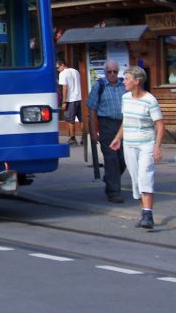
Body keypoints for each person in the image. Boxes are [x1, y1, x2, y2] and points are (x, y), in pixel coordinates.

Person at [109, 66, 165, 230]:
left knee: (145, 176)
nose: (123, 81)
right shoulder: (125, 98)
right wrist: (118, 138)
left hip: (146, 143)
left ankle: (148, 214)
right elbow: (126, 120)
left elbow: (160, 125)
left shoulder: (150, 100)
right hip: (129, 144)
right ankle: (144, 213)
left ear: (137, 81)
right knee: (136, 180)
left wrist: (157, 147)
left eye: (126, 79)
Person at [86, 60, 127, 203]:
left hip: (123, 126)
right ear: (105, 72)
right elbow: (92, 109)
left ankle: (110, 179)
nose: (112, 74)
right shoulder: (100, 85)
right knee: (111, 160)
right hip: (106, 125)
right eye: (109, 71)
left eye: (115, 71)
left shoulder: (124, 85)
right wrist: (93, 131)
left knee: (124, 159)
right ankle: (113, 192)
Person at [57, 57, 83, 144]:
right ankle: (84, 137)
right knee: (81, 119)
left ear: (62, 65)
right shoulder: (75, 71)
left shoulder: (63, 74)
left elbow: (65, 87)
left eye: (58, 67)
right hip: (79, 97)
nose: (57, 70)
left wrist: (64, 101)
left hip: (70, 99)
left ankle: (72, 138)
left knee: (70, 119)